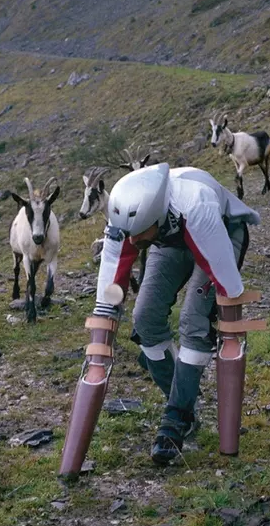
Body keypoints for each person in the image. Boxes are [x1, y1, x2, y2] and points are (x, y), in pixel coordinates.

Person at [92, 163, 259, 465]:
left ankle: (175, 420)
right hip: (168, 240)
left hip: (218, 232)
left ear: (155, 217)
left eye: (137, 235)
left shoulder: (197, 207)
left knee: (194, 321)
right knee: (145, 320)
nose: (131, 242)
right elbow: (110, 285)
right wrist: (101, 328)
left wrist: (229, 320)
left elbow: (229, 286)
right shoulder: (126, 218)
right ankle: (181, 402)